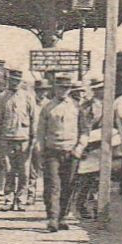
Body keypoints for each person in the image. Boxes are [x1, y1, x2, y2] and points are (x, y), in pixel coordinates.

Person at [34, 73, 83, 232]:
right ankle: (53, 218)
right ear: (55, 88)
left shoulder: (76, 107)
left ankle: (63, 217)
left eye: (66, 88)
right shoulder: (47, 107)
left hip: (71, 152)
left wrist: (79, 149)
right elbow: (40, 132)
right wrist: (40, 151)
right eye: (61, 88)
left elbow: (85, 130)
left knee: (68, 185)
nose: (63, 91)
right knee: (53, 185)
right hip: (52, 151)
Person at [0, 73, 36, 211]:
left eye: (17, 81)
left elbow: (33, 118)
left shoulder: (28, 96)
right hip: (6, 138)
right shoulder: (3, 97)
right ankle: (8, 199)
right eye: (12, 80)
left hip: (24, 138)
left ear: (21, 82)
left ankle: (20, 200)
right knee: (8, 170)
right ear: (8, 81)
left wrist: (34, 138)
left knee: (24, 172)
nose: (15, 83)